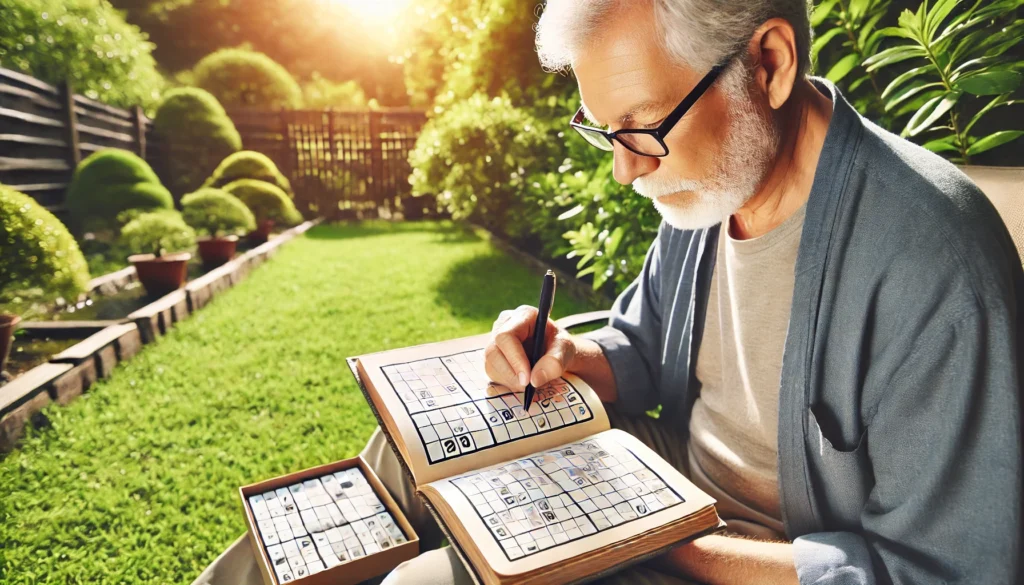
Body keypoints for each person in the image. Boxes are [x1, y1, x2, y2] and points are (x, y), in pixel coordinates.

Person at [193, 1, 1022, 584]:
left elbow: (946, 571)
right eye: (606, 131)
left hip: (750, 557)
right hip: (661, 492)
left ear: (766, 64)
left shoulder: (936, 266)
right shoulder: (709, 184)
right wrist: (566, 354)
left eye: (641, 129)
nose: (625, 169)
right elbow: (644, 347)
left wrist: (658, 539)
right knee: (417, 446)